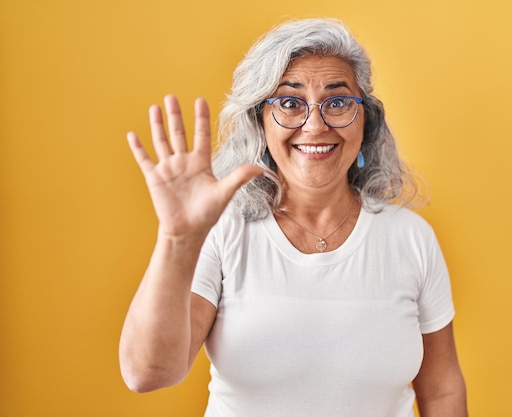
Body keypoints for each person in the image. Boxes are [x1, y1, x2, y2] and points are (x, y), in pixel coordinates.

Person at [119, 18, 468, 417]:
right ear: (260, 122)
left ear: (366, 120)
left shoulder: (412, 238)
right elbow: (146, 373)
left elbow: (441, 390)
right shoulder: (224, 232)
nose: (315, 126)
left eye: (337, 102)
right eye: (289, 102)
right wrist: (178, 237)